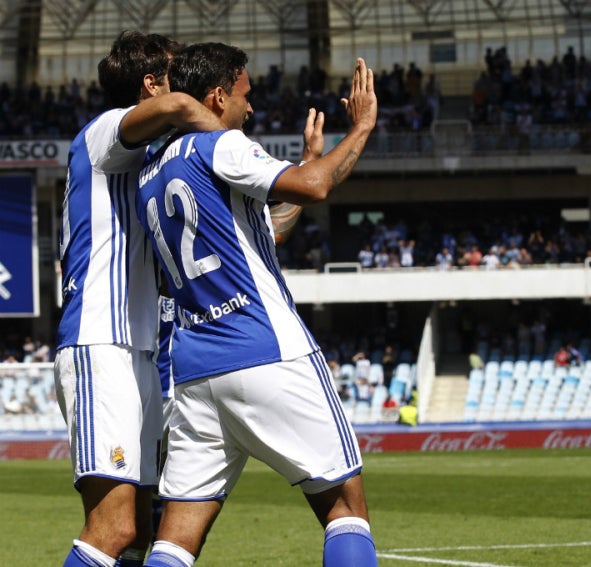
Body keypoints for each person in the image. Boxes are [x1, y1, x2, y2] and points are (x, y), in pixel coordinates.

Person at [136, 43, 378, 567]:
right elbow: (313, 189)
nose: (251, 108)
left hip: (196, 372)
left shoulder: (151, 173)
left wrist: (311, 159)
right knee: (345, 508)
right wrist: (360, 128)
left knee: (175, 538)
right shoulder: (220, 144)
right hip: (266, 348)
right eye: (246, 95)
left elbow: (265, 232)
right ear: (218, 95)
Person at [53, 31, 225, 567]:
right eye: (178, 74)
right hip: (99, 343)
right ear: (150, 85)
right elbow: (176, 105)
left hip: (141, 354)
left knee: (140, 534)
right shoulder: (102, 133)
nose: (189, 86)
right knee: (114, 527)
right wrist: (229, 140)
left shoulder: (150, 168)